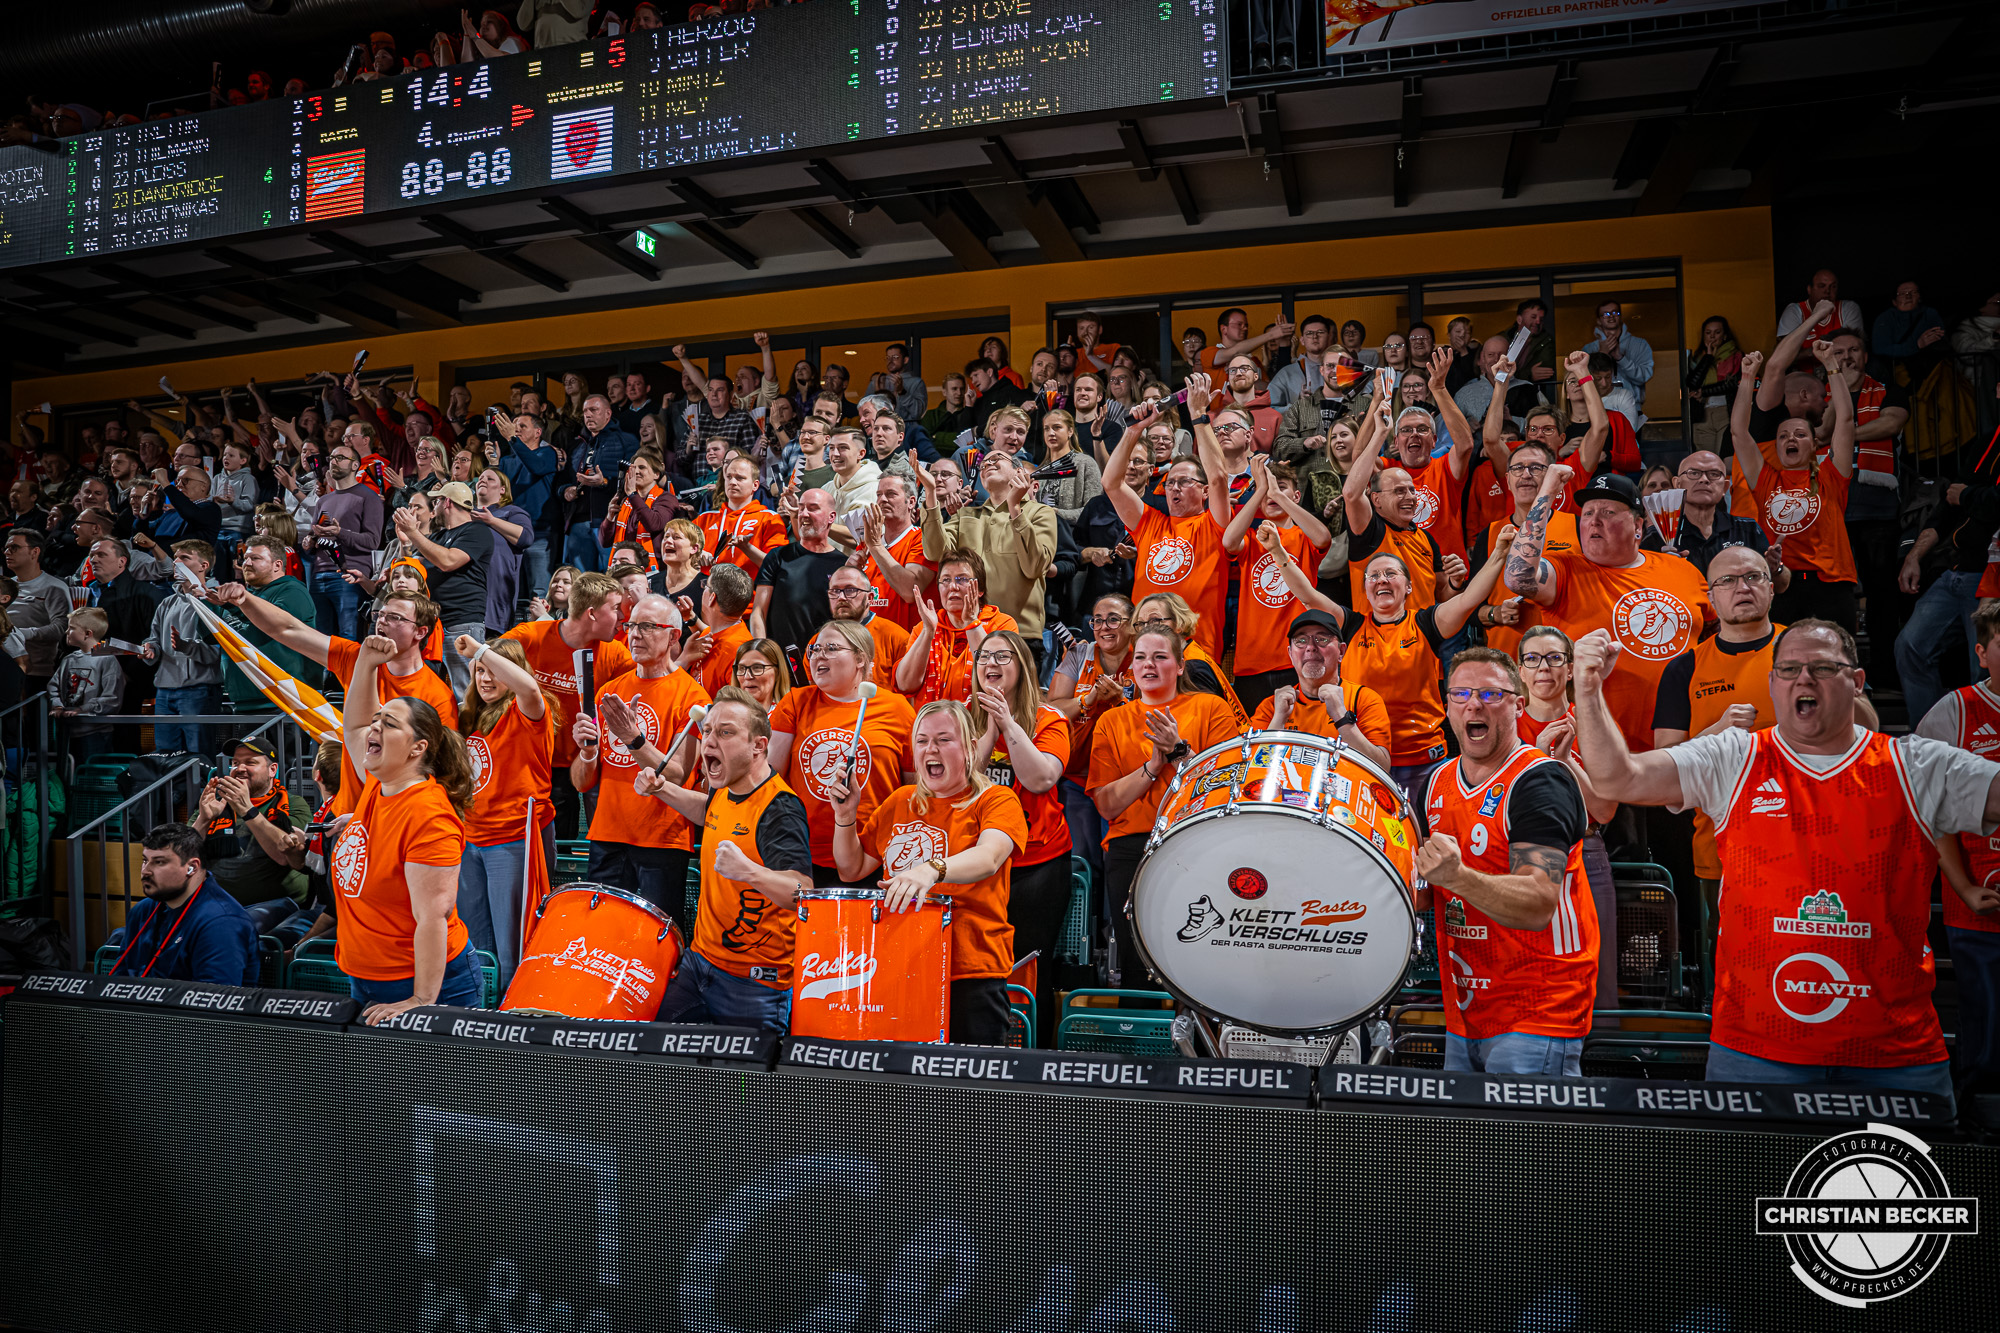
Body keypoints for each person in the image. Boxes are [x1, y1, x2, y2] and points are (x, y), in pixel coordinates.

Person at [1576, 619, 2000, 1106]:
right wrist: (1587, 689)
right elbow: (1619, 779)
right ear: (1773, 683)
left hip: (1895, 1056)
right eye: (1790, 669)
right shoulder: (1735, 757)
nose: (1804, 679)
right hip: (1755, 1050)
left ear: (1857, 682)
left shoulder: (1917, 764)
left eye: (1823, 668)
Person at [1415, 649, 1596, 1077]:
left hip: (1539, 1008)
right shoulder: (1436, 782)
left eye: (1491, 694)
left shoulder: (1541, 781)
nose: (1474, 705)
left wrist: (1457, 877)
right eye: (1461, 693)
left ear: (1518, 705)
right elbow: (1422, 892)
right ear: (1447, 706)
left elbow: (1538, 903)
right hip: (1466, 1007)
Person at [1268, 526, 1517, 808]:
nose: (1381, 579)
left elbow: (1468, 599)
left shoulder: (1425, 624)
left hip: (1422, 761)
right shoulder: (1352, 627)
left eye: (1390, 573)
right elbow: (1308, 596)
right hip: (1362, 758)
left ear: (1408, 586)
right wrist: (1277, 551)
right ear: (1365, 589)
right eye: (1373, 576)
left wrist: (1499, 552)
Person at [829, 700, 1028, 1046]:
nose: (930, 749)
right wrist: (844, 817)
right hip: (898, 964)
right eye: (921, 741)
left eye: (943, 739)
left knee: (969, 1076)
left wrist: (931, 869)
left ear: (970, 747)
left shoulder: (996, 799)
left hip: (969, 970)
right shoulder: (901, 801)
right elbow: (851, 868)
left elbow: (989, 856)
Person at [630, 689, 811, 1030]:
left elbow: (802, 892)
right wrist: (661, 789)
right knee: (655, 1049)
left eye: (725, 732)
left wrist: (750, 872)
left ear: (758, 746)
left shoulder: (780, 809)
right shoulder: (726, 783)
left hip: (753, 983)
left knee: (743, 1068)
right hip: (699, 962)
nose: (710, 741)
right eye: (708, 730)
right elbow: (709, 811)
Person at [1503, 464, 1713, 757]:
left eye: (1608, 512)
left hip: (1680, 747)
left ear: (1638, 526)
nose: (1594, 521)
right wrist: (1546, 492)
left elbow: (1715, 635)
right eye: (1588, 513)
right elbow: (1517, 577)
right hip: (1592, 752)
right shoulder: (1565, 570)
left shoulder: (1683, 570)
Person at [332, 632, 485, 1022]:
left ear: (418, 748)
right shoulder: (378, 784)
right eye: (377, 721)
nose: (374, 729)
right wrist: (366, 664)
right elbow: (355, 724)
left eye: (388, 724)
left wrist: (420, 1000)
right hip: (367, 975)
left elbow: (434, 917)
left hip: (423, 982)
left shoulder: (429, 816)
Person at [214, 578, 457, 816]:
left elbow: (436, 772)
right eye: (380, 615)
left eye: (395, 617)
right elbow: (287, 629)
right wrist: (245, 600)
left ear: (420, 632)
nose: (382, 621)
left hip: (394, 815)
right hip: (348, 813)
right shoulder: (357, 658)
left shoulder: (437, 696)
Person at [1651, 545, 1782, 983]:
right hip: (1719, 849)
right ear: (1710, 597)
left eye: (1753, 577)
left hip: (1805, 841)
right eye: (1727, 581)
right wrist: (1718, 731)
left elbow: (1865, 730)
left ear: (1771, 587)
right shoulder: (1685, 668)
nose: (1742, 587)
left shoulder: (1802, 649)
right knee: (1727, 972)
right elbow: (1665, 765)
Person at [1087, 626, 1243, 982]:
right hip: (1131, 846)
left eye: (1160, 657)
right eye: (1141, 657)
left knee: (1196, 964)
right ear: (1131, 667)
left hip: (1196, 841)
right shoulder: (1111, 720)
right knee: (1135, 964)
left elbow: (1224, 788)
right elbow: (1107, 806)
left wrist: (1178, 751)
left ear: (1180, 665)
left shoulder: (1211, 708)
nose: (1149, 665)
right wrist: (1152, 767)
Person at [573, 594, 711, 934]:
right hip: (607, 835)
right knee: (600, 937)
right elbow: (581, 782)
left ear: (674, 636)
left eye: (647, 626)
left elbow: (677, 774)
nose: (635, 634)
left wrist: (634, 738)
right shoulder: (609, 692)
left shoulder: (693, 697)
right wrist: (587, 751)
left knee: (654, 940)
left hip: (661, 840)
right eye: (632, 625)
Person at [1915, 600, 2000, 1123]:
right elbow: (1928, 809)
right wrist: (1964, 887)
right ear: (1982, 653)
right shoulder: (1954, 711)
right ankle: (1974, 1123)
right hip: (1978, 901)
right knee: (1984, 1033)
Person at [966, 629, 1071, 1040]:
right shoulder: (961, 716)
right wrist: (988, 731)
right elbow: (960, 783)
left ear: (1024, 666)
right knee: (979, 969)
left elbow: (1040, 779)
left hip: (1038, 863)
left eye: (1002, 656)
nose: (990, 663)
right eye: (983, 656)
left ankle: (1033, 1055)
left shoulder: (1049, 719)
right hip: (978, 863)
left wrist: (1008, 723)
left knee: (1029, 967)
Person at [771, 619, 917, 886]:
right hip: (803, 853)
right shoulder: (795, 701)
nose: (818, 655)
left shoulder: (898, 709)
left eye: (831, 648)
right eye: (815, 649)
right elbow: (771, 778)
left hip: (875, 854)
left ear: (860, 658)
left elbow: (912, 789)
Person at [1731, 346, 1858, 631]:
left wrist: (1831, 364)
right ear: (1776, 446)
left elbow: (1845, 420)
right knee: (1781, 655)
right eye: (1783, 436)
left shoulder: (1831, 475)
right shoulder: (1766, 479)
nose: (1791, 439)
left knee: (1837, 655)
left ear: (1814, 445)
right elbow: (1739, 431)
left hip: (1831, 583)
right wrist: (1747, 377)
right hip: (1781, 582)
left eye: (1800, 434)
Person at [501, 569, 635, 838]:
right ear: (592, 613)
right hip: (525, 761)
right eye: (615, 609)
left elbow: (648, 682)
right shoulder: (530, 636)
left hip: (576, 767)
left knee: (563, 845)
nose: (622, 617)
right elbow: (481, 662)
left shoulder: (615, 654)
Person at [453, 634, 552, 990]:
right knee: (476, 943)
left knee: (512, 948)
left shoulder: (526, 711)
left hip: (512, 841)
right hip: (471, 840)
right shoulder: (469, 716)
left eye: (494, 671)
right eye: (480, 671)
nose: (485, 678)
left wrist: (481, 650)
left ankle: (511, 1011)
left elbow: (529, 688)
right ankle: (480, 1005)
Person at [1103, 391, 1230, 660]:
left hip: (1196, 652)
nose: (1174, 488)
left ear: (1205, 491)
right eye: (1170, 482)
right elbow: (1111, 483)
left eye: (1185, 481)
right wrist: (1134, 430)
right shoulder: (1150, 522)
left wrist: (1198, 415)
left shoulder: (1214, 524)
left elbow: (1219, 477)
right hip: (1144, 652)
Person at [918, 442, 1057, 655]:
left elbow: (1034, 568)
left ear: (1019, 472)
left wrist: (1015, 508)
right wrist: (930, 493)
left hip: (1020, 634)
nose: (988, 464)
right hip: (967, 629)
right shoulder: (965, 514)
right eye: (984, 464)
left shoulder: (1040, 512)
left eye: (997, 459)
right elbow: (935, 552)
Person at [1224, 460, 1331, 711]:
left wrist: (1277, 495)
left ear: (1296, 496)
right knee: (1256, 732)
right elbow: (1228, 542)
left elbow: (1323, 537)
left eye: (1281, 486)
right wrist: (1261, 489)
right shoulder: (1253, 538)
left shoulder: (1304, 537)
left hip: (1298, 657)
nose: (1273, 494)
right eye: (1268, 490)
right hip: (1252, 660)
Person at [1342, 377, 1451, 612]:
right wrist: (1380, 432)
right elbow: (1351, 493)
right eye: (1399, 491)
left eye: (1411, 490)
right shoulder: (1370, 532)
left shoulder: (1426, 539)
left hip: (1422, 632)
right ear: (1376, 499)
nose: (1410, 497)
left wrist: (1457, 583)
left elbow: (1443, 592)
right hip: (1377, 634)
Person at [106, 822, 259, 986]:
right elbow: (120, 978)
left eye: (159, 862)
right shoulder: (142, 910)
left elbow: (213, 996)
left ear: (192, 867)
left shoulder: (222, 923)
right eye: (145, 860)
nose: (145, 871)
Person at [1249, 609, 1391, 771]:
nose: (1310, 647)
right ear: (1290, 654)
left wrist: (1341, 717)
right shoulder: (1272, 707)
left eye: (1322, 639)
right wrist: (1278, 720)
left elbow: (1382, 768)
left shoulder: (1364, 699)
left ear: (1341, 651)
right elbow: (1251, 770)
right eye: (1301, 640)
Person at [400, 481, 495, 694]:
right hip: (433, 625)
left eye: (436, 502)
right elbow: (410, 569)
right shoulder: (437, 537)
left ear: (447, 502)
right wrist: (405, 543)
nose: (434, 508)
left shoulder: (477, 531)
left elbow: (448, 561)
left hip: (461, 623)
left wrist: (414, 533)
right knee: (431, 692)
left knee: (464, 692)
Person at [214, 535, 323, 716]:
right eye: (245, 558)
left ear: (277, 565)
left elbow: (273, 628)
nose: (247, 563)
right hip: (244, 700)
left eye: (255, 558)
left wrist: (237, 604)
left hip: (286, 703)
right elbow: (211, 636)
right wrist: (204, 600)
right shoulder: (241, 597)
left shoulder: (292, 590)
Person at [897, 547, 1018, 709]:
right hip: (932, 721)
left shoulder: (1002, 625)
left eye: (962, 579)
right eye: (946, 580)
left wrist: (971, 622)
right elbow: (905, 684)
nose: (953, 586)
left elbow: (1000, 679)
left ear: (980, 589)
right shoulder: (924, 627)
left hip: (981, 720)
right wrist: (927, 633)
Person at [1639, 450, 1781, 588]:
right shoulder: (1658, 538)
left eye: (1714, 474)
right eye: (1694, 473)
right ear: (1677, 484)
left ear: (1725, 487)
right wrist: (1662, 571)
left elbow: (1781, 585)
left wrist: (1775, 569)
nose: (1704, 479)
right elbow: (1640, 590)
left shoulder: (1748, 529)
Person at [194, 736, 296, 912]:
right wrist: (204, 819)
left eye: (250, 762)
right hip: (214, 901)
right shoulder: (215, 802)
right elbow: (183, 855)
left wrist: (247, 809)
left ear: (272, 770)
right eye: (235, 763)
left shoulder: (291, 804)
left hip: (271, 904)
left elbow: (285, 856)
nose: (240, 768)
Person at [140, 539, 223, 754]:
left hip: (199, 689)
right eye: (175, 558)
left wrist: (187, 647)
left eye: (184, 558)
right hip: (165, 689)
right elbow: (154, 639)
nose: (176, 562)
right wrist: (150, 649)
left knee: (199, 755)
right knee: (165, 755)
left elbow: (218, 652)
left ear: (204, 566)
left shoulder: (216, 600)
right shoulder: (167, 603)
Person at [751, 487, 846, 668]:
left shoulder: (842, 565)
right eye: (801, 508)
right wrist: (761, 654)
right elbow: (759, 612)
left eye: (813, 508)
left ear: (831, 517)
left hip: (823, 665)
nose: (804, 514)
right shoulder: (778, 556)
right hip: (778, 663)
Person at [306, 439, 384, 641]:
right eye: (332, 457)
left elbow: (373, 541)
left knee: (348, 638)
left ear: (355, 465)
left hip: (349, 576)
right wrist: (310, 542)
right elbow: (314, 535)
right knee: (320, 639)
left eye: (340, 457)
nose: (333, 461)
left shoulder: (369, 497)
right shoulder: (324, 500)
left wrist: (340, 532)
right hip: (319, 574)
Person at [561, 395, 640, 572]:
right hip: (577, 521)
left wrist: (603, 482)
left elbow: (634, 480)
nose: (588, 415)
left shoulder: (626, 441)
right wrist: (565, 490)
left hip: (608, 520)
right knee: (581, 580)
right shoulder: (576, 444)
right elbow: (562, 479)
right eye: (585, 411)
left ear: (608, 414)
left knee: (612, 575)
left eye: (593, 410)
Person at [49, 607, 121, 763]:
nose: (67, 632)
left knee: (91, 772)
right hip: (68, 730)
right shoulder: (69, 659)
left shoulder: (107, 659)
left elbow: (111, 697)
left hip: (94, 733)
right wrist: (57, 705)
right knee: (66, 772)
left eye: (71, 628)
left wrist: (83, 709)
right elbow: (53, 686)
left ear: (88, 633)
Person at [4, 528, 70, 695]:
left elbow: (62, 627)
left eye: (14, 547)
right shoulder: (5, 586)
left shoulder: (53, 587)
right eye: (6, 548)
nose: (7, 552)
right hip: (6, 668)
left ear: (35, 552)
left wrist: (22, 633)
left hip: (38, 672)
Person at [696, 453, 786, 574]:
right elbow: (678, 551)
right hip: (706, 585)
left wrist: (747, 548)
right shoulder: (704, 519)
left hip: (750, 586)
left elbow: (776, 567)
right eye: (729, 477)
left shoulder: (769, 519)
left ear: (755, 485)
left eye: (740, 478)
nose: (732, 482)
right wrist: (695, 553)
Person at [679, 562, 755, 699]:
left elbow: (739, 707)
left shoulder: (738, 652)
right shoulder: (718, 632)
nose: (702, 590)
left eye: (705, 586)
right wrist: (690, 617)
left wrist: (683, 659)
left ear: (712, 598)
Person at [827, 564, 909, 688]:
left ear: (870, 598)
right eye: (835, 591)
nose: (841, 597)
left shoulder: (897, 637)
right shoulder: (818, 643)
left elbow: (909, 693)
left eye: (850, 590)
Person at [1581, 299, 1654, 406]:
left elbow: (1644, 377)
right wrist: (1602, 355)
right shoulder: (1589, 349)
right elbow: (1584, 381)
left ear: (1620, 317)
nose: (1611, 316)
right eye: (1606, 314)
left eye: (1615, 312)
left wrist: (1621, 358)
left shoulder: (1640, 344)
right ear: (1599, 320)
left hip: (1632, 406)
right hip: (1599, 405)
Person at [733, 637, 791, 709]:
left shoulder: (792, 713)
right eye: (742, 668)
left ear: (777, 672)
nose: (747, 676)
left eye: (757, 667)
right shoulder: (724, 713)